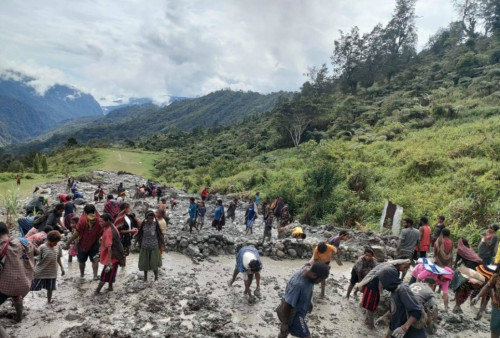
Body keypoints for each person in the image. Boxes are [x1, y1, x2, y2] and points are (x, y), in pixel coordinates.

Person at [277, 262, 330, 338]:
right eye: (319, 280)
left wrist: (309, 301)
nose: (319, 283)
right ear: (314, 275)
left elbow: (308, 264)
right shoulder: (298, 285)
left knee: (285, 332)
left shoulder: (307, 269)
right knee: (306, 336)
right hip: (294, 313)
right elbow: (286, 303)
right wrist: (284, 323)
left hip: (300, 309)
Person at [357, 260, 411, 330]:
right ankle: (371, 326)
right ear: (400, 264)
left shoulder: (395, 269)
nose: (405, 270)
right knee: (371, 308)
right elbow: (380, 281)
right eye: (405, 267)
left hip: (374, 287)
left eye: (407, 268)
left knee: (372, 307)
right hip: (373, 287)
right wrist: (381, 294)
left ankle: (367, 321)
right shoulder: (391, 270)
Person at [0, 222, 36, 322]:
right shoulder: (23, 241)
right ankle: (19, 318)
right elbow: (35, 252)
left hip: (4, 287)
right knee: (17, 297)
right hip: (24, 284)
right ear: (7, 231)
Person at [379, 264, 425, 338]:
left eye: (382, 281)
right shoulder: (393, 290)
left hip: (410, 332)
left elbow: (416, 311)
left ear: (389, 279)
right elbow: (395, 310)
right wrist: (384, 317)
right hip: (397, 329)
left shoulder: (403, 290)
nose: (381, 284)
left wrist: (404, 327)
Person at [66, 204, 102, 280]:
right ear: (94, 211)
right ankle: (95, 276)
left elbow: (76, 234)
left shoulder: (82, 221)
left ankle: (82, 275)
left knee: (81, 261)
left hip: (82, 244)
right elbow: (102, 232)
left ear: (84, 212)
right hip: (95, 243)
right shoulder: (99, 219)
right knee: (95, 260)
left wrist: (68, 243)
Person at [30, 230, 64, 303]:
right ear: (49, 240)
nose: (55, 244)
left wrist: (62, 268)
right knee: (32, 287)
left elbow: (58, 258)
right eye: (54, 242)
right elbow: (35, 259)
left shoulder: (58, 246)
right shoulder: (42, 247)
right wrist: (32, 270)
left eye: (57, 242)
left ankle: (49, 301)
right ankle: (20, 298)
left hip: (52, 272)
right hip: (40, 272)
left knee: (50, 288)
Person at [95, 214, 124, 294]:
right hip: (116, 255)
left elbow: (109, 247)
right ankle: (110, 287)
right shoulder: (112, 227)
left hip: (112, 257)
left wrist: (109, 261)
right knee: (112, 274)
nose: (100, 223)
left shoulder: (108, 231)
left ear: (107, 221)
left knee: (104, 275)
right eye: (99, 221)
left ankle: (97, 291)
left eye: (101, 221)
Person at [135, 211, 165, 281]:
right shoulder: (143, 225)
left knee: (154, 263)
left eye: (152, 218)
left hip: (154, 247)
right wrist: (136, 242)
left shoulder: (156, 225)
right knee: (145, 262)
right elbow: (139, 234)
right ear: (146, 218)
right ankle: (145, 277)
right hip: (145, 246)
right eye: (150, 218)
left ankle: (156, 277)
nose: (151, 220)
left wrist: (162, 243)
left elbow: (160, 235)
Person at [474, 265, 500, 337]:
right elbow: (488, 286)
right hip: (497, 307)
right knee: (495, 329)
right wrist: (478, 296)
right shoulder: (496, 276)